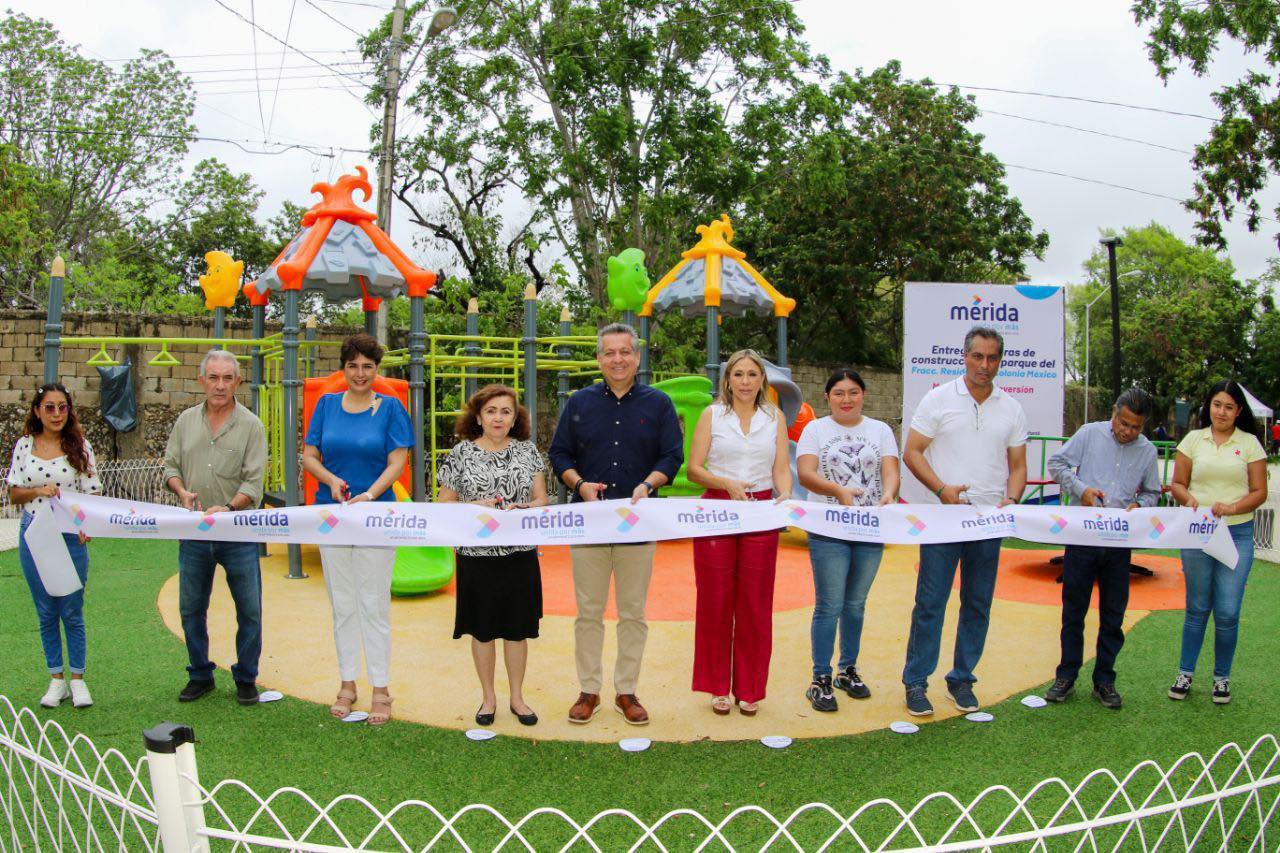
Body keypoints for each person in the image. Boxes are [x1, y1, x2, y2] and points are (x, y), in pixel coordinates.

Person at [548, 323, 683, 726]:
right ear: (599, 358)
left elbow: (672, 456)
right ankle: (589, 690)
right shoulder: (579, 403)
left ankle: (627, 691)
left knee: (633, 613)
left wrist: (648, 484)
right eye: (609, 352)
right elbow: (559, 454)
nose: (618, 359)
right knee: (588, 612)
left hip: (638, 525)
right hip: (588, 523)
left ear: (637, 358)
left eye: (625, 352)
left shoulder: (659, 404)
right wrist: (579, 484)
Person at [900, 326, 1028, 716]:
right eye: (978, 356)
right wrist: (942, 489)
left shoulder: (1012, 408)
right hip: (943, 518)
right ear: (965, 356)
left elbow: (1018, 466)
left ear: (1000, 361)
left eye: (992, 358)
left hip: (988, 523)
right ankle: (916, 682)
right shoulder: (938, 399)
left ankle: (961, 679)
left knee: (977, 603)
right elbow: (912, 452)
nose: (984, 365)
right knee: (930, 603)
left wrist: (1012, 499)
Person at [302, 333, 413, 725]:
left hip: (376, 517)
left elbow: (397, 462)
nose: (360, 373)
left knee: (374, 604)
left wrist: (369, 495)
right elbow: (309, 456)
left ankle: (381, 689)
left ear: (377, 369)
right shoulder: (326, 405)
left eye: (368, 366)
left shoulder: (391, 408)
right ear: (343, 368)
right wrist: (332, 481)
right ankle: (347, 684)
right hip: (332, 517)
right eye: (353, 366)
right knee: (343, 604)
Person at [685, 349, 792, 716]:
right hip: (717, 509)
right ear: (727, 380)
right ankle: (718, 686)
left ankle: (749, 688)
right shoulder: (712, 415)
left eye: (752, 374)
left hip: (761, 512)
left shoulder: (774, 417)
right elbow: (694, 469)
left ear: (762, 380)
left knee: (755, 603)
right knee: (715, 600)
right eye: (739, 374)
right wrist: (726, 483)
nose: (745, 381)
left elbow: (781, 468)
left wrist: (785, 493)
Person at [437, 384, 549, 727]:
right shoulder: (460, 454)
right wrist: (475, 506)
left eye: (506, 411)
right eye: (491, 411)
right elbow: (444, 504)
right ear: (478, 417)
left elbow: (542, 499)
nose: (498, 418)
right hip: (476, 556)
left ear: (515, 418)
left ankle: (517, 697)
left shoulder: (528, 451)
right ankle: (488, 697)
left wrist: (525, 507)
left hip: (519, 553)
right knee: (482, 630)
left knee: (517, 630)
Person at [1044, 388, 1161, 709]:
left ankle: (1104, 681)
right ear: (1114, 412)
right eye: (1123, 423)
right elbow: (1056, 463)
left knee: (1113, 615)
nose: (1127, 431)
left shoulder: (1148, 451)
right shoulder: (1089, 434)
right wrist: (1080, 489)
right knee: (1073, 612)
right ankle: (1066, 676)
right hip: (1082, 538)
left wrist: (1141, 504)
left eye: (1135, 427)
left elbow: (1153, 492)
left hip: (1118, 544)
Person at [163, 350, 268, 706]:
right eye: (213, 377)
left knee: (249, 610)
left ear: (238, 382)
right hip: (195, 532)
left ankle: (246, 678)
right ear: (201, 381)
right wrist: (181, 490)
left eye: (227, 378)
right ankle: (200, 675)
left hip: (238, 533)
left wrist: (229, 508)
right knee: (191, 608)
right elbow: (171, 467)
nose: (220, 385)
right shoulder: (185, 422)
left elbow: (254, 482)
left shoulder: (252, 426)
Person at [796, 368, 900, 713]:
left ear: (863, 395)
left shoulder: (880, 430)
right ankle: (820, 678)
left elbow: (890, 471)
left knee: (855, 604)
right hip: (828, 527)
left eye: (853, 392)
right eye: (839, 393)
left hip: (869, 527)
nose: (846, 399)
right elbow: (806, 474)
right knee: (830, 604)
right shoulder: (815, 430)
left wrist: (889, 494)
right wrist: (837, 490)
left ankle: (847, 671)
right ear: (827, 397)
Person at [1167, 380, 1267, 705]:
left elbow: (1259, 492)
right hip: (1198, 532)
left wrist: (1232, 508)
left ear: (1238, 411)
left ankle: (1221, 678)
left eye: (1229, 407)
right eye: (1216, 404)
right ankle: (1185, 673)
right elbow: (1178, 483)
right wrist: (1189, 500)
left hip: (1237, 535)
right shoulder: (1193, 440)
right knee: (1197, 608)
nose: (1221, 412)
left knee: (1227, 612)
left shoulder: (1249, 444)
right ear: (1208, 406)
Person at [7, 384, 102, 709]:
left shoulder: (80, 446)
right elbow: (13, 492)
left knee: (71, 610)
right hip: (35, 533)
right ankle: (56, 680)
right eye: (49, 407)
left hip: (69, 535)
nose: (57, 414)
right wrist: (38, 491)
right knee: (46, 610)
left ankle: (78, 680)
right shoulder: (24, 445)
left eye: (62, 407)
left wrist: (87, 525)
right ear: (37, 410)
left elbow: (92, 492)